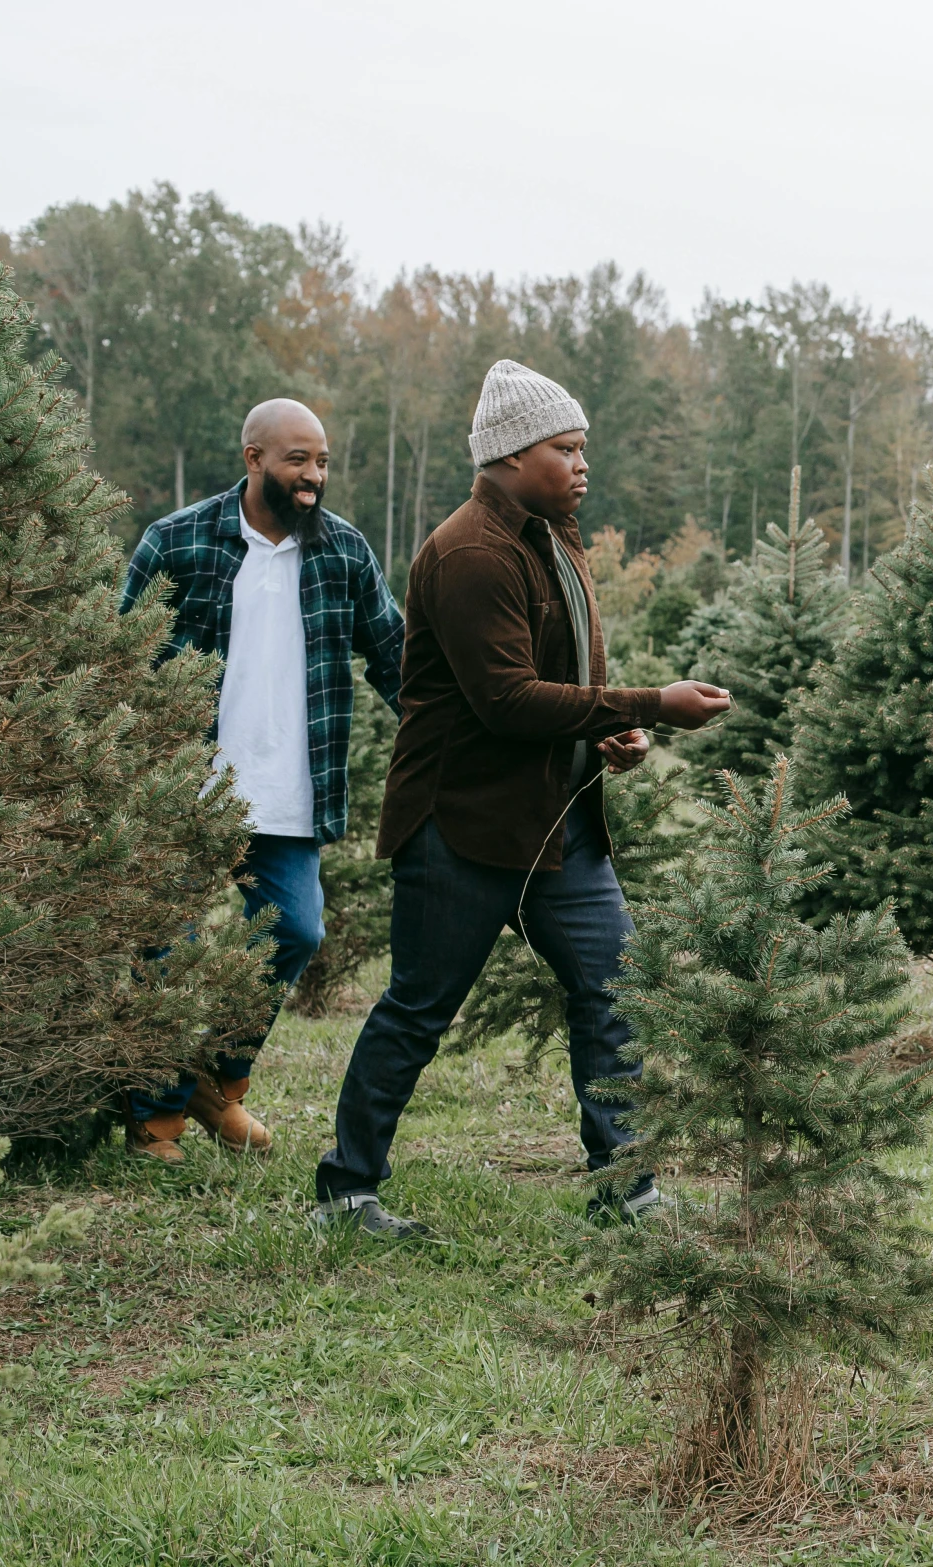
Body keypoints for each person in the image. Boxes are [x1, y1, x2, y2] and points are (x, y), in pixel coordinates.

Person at [311, 360, 731, 1238]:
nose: (583, 465)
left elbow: (561, 670)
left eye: (583, 448)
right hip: (461, 823)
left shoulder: (554, 533)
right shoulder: (471, 551)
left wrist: (605, 732)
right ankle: (348, 1190)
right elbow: (505, 697)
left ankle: (627, 1184)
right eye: (565, 448)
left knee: (615, 987)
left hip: (557, 822)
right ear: (509, 454)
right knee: (419, 1007)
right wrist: (653, 703)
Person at [119, 399, 403, 1164]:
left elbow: (396, 658)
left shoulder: (342, 551)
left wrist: (473, 728)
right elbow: (119, 661)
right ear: (253, 459)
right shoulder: (175, 542)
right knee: (168, 952)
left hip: (289, 792)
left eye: (322, 462)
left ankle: (218, 1079)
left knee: (296, 929)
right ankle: (155, 1117)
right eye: (296, 460)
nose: (312, 476)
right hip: (184, 790)